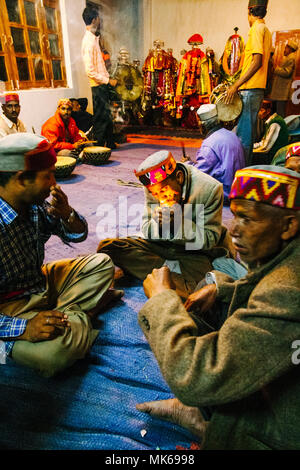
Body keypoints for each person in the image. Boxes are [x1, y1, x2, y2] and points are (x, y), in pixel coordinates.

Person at [136, 165, 300, 450]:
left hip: (285, 426)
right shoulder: (287, 258)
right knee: (215, 285)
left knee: (190, 299)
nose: (233, 229)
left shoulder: (286, 291)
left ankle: (213, 424)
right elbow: (148, 231)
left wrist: (162, 300)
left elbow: (195, 376)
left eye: (247, 219)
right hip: (170, 252)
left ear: (288, 225)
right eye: (234, 215)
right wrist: (223, 289)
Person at [0, 133, 118, 378]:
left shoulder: (33, 204)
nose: (55, 183)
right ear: (21, 179)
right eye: (48, 176)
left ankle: (63, 318)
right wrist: (25, 328)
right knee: (54, 355)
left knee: (102, 264)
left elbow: (78, 236)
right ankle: (75, 317)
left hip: (38, 282)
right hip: (8, 308)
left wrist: (67, 214)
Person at [97, 150, 228, 298]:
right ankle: (171, 273)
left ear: (178, 177)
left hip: (191, 253)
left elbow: (210, 239)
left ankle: (164, 275)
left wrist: (177, 223)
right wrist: (158, 224)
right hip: (161, 246)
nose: (161, 197)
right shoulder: (153, 188)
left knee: (200, 288)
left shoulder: (209, 189)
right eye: (156, 194)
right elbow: (146, 230)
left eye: (164, 191)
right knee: (108, 248)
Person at [225, 0, 272, 166]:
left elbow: (257, 61)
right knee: (246, 133)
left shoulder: (257, 29)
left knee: (244, 136)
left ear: (249, 11)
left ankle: (240, 175)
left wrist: (236, 85)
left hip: (251, 89)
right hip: (255, 88)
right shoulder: (265, 29)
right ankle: (243, 170)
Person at [187, 103, 245, 203]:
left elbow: (200, 173)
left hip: (224, 193)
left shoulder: (209, 144)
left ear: (202, 125)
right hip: (238, 189)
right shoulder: (231, 134)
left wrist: (187, 165)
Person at [81, 6, 118, 149]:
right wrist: (108, 80)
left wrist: (107, 78)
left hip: (102, 83)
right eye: (98, 18)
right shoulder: (88, 42)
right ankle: (99, 148)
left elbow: (100, 65)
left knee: (107, 115)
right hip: (97, 85)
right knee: (101, 117)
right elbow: (90, 71)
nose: (100, 20)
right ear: (95, 19)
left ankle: (109, 142)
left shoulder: (93, 39)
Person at [270, 39, 299, 117]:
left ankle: (280, 128)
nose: (284, 50)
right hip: (280, 91)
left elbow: (287, 73)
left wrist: (276, 69)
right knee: (277, 112)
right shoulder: (288, 58)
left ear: (290, 49)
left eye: (286, 48)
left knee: (280, 113)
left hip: (282, 91)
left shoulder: (291, 58)